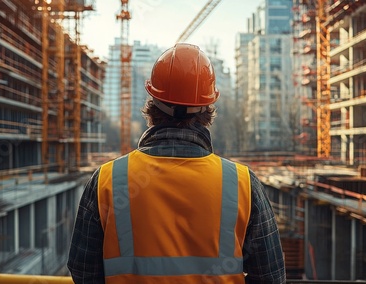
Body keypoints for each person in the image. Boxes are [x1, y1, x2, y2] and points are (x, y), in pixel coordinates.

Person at [67, 43, 286, 283]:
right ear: (207, 109)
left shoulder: (107, 180)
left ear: (152, 106)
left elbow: (83, 271)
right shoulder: (242, 183)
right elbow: (270, 276)